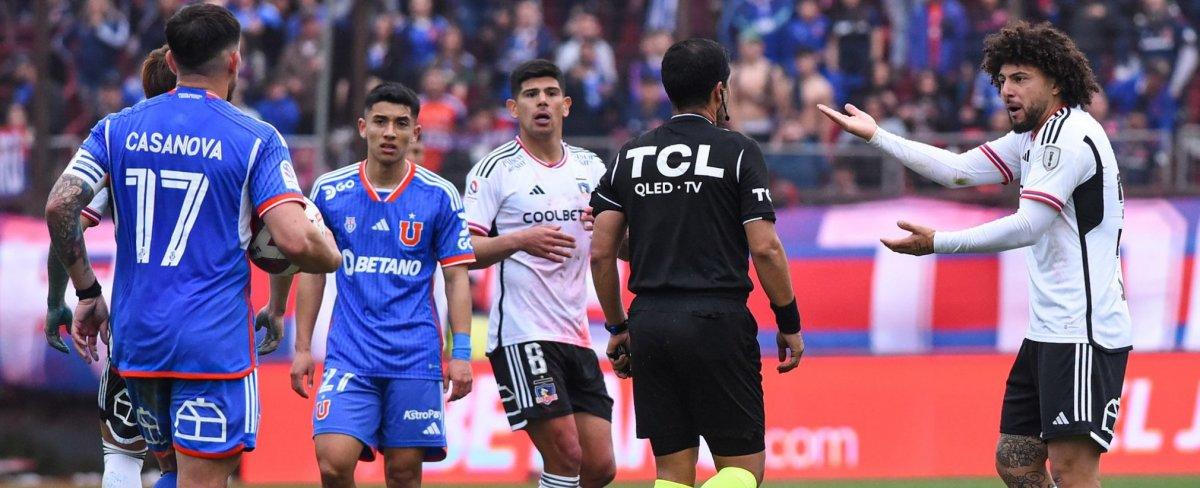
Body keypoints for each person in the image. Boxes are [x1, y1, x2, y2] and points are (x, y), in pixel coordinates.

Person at [819, 21, 1131, 488]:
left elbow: (1029, 225)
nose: (1007, 90)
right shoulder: (1034, 135)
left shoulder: (1066, 137)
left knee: (1072, 473)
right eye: (1002, 80)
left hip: (1083, 331)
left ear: (1057, 82)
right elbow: (958, 171)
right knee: (1016, 462)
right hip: (1049, 330)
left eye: (1020, 78)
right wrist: (877, 136)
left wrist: (939, 243)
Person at [44, 4, 341, 486]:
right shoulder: (255, 138)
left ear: (173, 60)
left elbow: (60, 206)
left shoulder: (118, 127)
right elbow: (290, 237)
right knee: (201, 480)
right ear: (234, 62)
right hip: (211, 345)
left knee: (168, 471)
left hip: (138, 339)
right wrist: (329, 251)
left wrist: (86, 293)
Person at [589, 38, 806, 488]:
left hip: (649, 321)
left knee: (672, 474)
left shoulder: (630, 154)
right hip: (717, 320)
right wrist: (788, 320)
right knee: (743, 471)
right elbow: (765, 248)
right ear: (720, 91)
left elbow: (602, 251)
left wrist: (617, 328)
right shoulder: (739, 151)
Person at [289, 82, 475, 488]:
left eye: (401, 124)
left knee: (403, 474)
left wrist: (460, 352)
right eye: (381, 122)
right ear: (362, 127)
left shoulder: (440, 195)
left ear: (416, 133)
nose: (390, 132)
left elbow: (457, 277)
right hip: (349, 355)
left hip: (415, 357)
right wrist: (302, 348)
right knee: (334, 464)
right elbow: (311, 270)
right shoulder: (330, 190)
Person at [463, 59, 615, 488]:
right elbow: (463, 252)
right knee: (566, 454)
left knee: (600, 466)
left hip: (577, 334)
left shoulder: (592, 168)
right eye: (531, 95)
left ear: (566, 105)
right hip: (521, 334)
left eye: (550, 93)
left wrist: (605, 228)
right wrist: (518, 239)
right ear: (514, 108)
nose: (542, 102)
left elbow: (623, 245)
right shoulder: (495, 171)